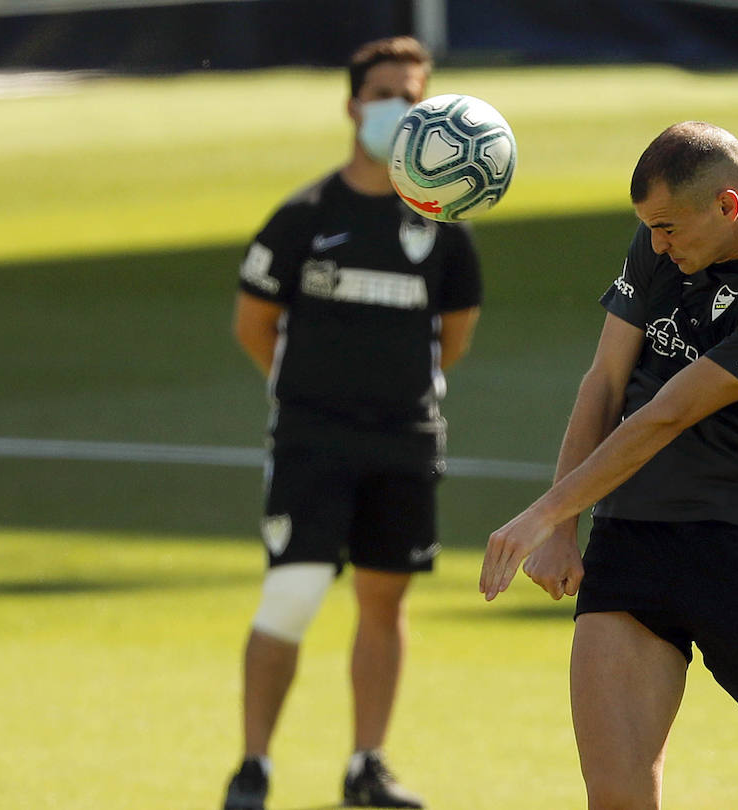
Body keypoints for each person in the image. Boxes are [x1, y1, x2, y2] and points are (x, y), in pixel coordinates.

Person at [478, 121, 738, 810]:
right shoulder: (659, 247)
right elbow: (604, 384)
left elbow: (666, 416)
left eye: (669, 227)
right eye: (649, 228)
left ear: (727, 206)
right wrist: (563, 529)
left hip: (726, 549)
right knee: (616, 798)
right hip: (628, 548)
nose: (657, 244)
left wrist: (540, 513)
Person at [222, 35, 482, 810]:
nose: (398, 108)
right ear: (352, 105)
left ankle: (366, 764)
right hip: (311, 440)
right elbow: (252, 323)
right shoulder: (304, 217)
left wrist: (402, 390)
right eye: (385, 94)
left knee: (385, 599)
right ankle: (255, 766)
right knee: (293, 595)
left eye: (413, 95)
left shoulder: (444, 227)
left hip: (403, 438)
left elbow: (455, 334)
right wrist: (305, 391)